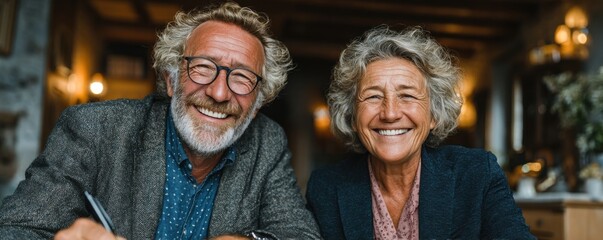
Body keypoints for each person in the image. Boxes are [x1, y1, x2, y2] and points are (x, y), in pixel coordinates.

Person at [0, 2, 320, 239]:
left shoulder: (268, 142)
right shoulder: (96, 129)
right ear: (171, 80)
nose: (220, 93)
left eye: (242, 77)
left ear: (259, 99)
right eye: (203, 67)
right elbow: (17, 228)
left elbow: (300, 236)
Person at [306, 26, 535, 239]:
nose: (390, 113)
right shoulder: (325, 187)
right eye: (374, 96)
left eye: (407, 95)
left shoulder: (477, 175)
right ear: (353, 116)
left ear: (433, 114)